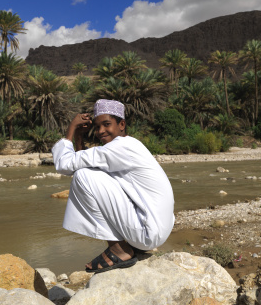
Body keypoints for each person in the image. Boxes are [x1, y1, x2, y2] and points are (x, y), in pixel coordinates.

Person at [52, 99, 175, 273]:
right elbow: (85, 163)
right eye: (97, 126)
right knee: (87, 173)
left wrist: (71, 130)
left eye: (107, 124)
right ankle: (129, 246)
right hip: (155, 229)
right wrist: (80, 138)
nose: (101, 131)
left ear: (122, 124)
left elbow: (65, 165)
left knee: (82, 176)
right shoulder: (129, 145)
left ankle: (119, 250)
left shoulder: (120, 148)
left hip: (149, 231)